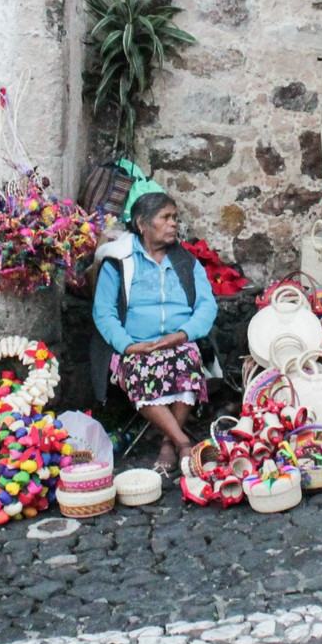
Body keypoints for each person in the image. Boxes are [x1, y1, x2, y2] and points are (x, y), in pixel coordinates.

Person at [92, 191, 218, 476]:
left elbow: (207, 306)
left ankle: (168, 444)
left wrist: (183, 334)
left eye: (175, 218)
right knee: (140, 369)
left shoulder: (186, 262)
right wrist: (127, 346)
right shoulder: (119, 262)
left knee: (186, 361)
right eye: (166, 217)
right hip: (136, 345)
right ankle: (183, 442)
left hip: (180, 341)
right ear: (142, 223)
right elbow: (104, 312)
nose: (174, 223)